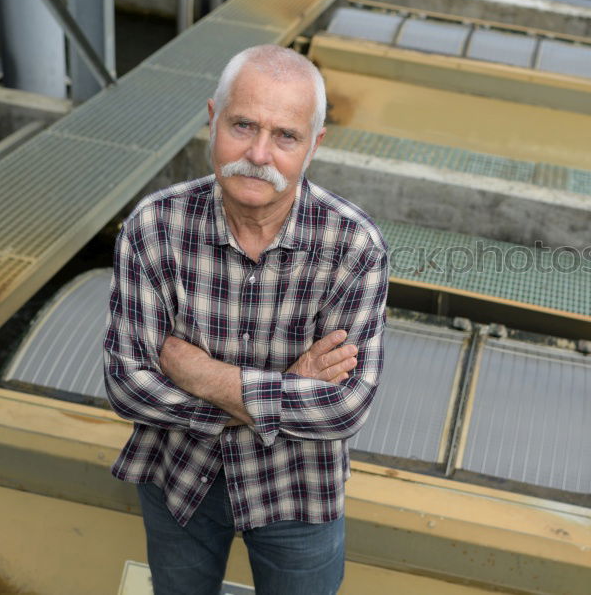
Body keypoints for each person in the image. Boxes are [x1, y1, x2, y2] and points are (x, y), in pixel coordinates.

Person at [103, 44, 389, 595]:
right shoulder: (152, 228)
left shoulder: (353, 245)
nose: (259, 153)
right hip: (181, 478)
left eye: (286, 136)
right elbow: (125, 387)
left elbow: (345, 407)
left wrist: (201, 375)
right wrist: (288, 389)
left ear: (314, 146)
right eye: (243, 125)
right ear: (213, 119)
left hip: (298, 489)